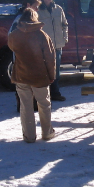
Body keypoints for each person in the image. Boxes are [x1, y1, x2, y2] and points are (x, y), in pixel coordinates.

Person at [8, 8, 56, 143]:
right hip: (40, 75)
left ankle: (29, 136)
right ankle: (47, 133)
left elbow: (12, 48)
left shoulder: (13, 35)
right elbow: (50, 58)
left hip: (21, 74)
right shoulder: (42, 35)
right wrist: (51, 75)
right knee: (44, 104)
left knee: (25, 106)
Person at [10, 0, 42, 113]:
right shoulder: (19, 20)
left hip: (31, 57)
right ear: (28, 5)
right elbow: (11, 37)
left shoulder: (30, 19)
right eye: (36, 6)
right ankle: (23, 106)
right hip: (21, 58)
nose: (37, 9)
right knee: (23, 82)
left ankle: (32, 104)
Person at [37, 0, 68, 102]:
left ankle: (55, 93)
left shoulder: (58, 9)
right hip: (44, 47)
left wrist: (65, 37)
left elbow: (65, 24)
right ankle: (44, 95)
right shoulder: (38, 10)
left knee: (56, 72)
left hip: (58, 45)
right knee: (45, 71)